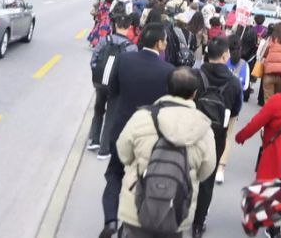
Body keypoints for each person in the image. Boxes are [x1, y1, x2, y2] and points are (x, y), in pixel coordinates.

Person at [115, 68, 217, 238]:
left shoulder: (142, 117)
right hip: (176, 211)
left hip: (137, 206)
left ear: (167, 88)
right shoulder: (204, 129)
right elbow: (206, 170)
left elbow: (123, 153)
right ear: (195, 93)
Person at [100, 24, 175, 238]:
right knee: (141, 180)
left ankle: (110, 221)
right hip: (149, 136)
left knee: (114, 174)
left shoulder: (124, 59)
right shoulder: (168, 71)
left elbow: (112, 91)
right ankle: (129, 225)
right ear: (159, 43)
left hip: (122, 128)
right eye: (165, 40)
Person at [191, 37, 243, 238]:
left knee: (187, 173)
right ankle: (198, 223)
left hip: (193, 133)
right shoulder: (233, 81)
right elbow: (236, 109)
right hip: (216, 137)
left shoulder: (196, 74)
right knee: (207, 181)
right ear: (224, 56)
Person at [88, 15, 138, 158]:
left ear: (115, 25)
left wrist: (97, 74)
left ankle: (94, 140)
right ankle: (104, 149)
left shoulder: (105, 40)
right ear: (129, 28)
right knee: (111, 114)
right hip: (116, 86)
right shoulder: (131, 47)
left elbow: (94, 59)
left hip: (100, 82)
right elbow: (130, 70)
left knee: (98, 110)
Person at [215, 35, 249, 184]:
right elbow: (246, 86)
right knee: (227, 136)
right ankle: (221, 169)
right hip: (233, 105)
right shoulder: (244, 65)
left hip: (217, 102)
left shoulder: (221, 60)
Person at [261, 22, 281, 102]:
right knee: (278, 101)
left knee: (268, 102)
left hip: (269, 75)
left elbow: (264, 54)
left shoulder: (271, 41)